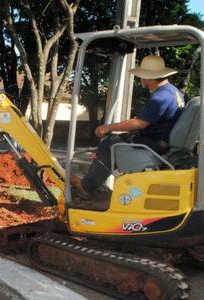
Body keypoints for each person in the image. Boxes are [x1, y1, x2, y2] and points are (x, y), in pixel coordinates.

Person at [72, 55, 185, 198]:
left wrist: (108, 127)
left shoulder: (160, 97)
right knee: (115, 140)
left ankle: (87, 187)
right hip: (162, 140)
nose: (140, 79)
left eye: (141, 76)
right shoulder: (174, 92)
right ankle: (97, 176)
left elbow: (140, 122)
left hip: (153, 144)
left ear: (148, 78)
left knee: (108, 144)